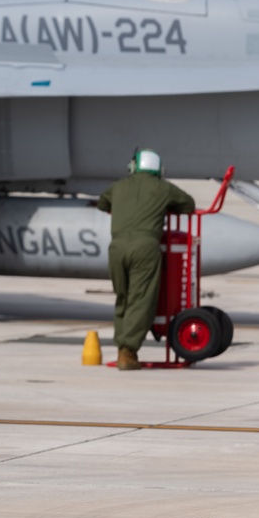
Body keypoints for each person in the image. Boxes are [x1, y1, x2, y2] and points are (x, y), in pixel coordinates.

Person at [97, 149, 196, 370]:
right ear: (158, 170)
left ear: (133, 167)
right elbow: (188, 205)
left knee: (123, 297)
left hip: (117, 248)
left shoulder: (119, 186)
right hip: (145, 247)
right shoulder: (162, 188)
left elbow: (103, 203)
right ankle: (128, 352)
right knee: (140, 300)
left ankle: (122, 346)